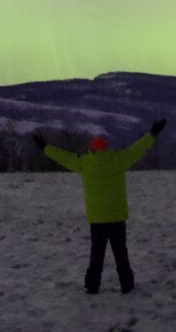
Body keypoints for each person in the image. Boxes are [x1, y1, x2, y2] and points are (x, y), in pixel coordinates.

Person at [35, 118, 167, 294]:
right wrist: (152, 134)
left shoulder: (84, 163)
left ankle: (92, 286)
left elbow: (63, 157)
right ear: (105, 149)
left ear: (91, 150)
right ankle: (127, 285)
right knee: (121, 254)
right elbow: (138, 149)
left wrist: (45, 147)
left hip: (97, 219)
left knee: (96, 255)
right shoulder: (119, 159)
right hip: (117, 216)